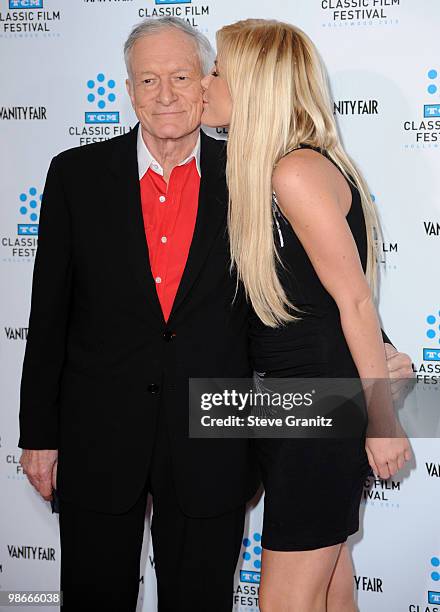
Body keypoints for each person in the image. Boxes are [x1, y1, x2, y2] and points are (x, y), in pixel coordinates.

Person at [17, 17, 411, 612]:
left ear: (209, 83)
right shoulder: (75, 175)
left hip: (225, 438)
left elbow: (335, 290)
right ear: (127, 89)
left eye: (185, 75)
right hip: (105, 436)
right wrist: (38, 435)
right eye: (148, 79)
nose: (168, 94)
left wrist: (378, 384)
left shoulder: (255, 174)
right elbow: (47, 316)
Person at [201, 18, 412, 612]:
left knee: (286, 598)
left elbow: (353, 299)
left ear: (254, 83)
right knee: (330, 581)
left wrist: (382, 421)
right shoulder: (276, 171)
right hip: (291, 405)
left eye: (218, 70)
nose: (207, 83)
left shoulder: (294, 171)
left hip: (320, 409)